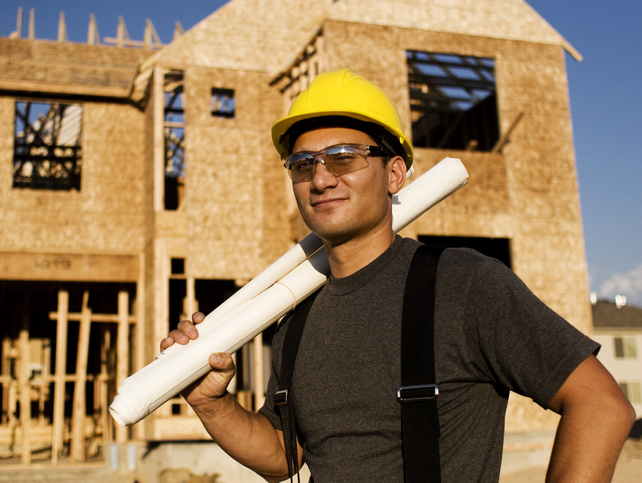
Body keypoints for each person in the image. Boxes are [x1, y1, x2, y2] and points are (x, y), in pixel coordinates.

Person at [160, 69, 635, 482]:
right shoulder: (296, 320)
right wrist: (212, 405)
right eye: (303, 164)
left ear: (394, 175)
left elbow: (600, 406)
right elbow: (284, 457)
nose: (320, 178)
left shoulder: (464, 286)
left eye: (344, 157)